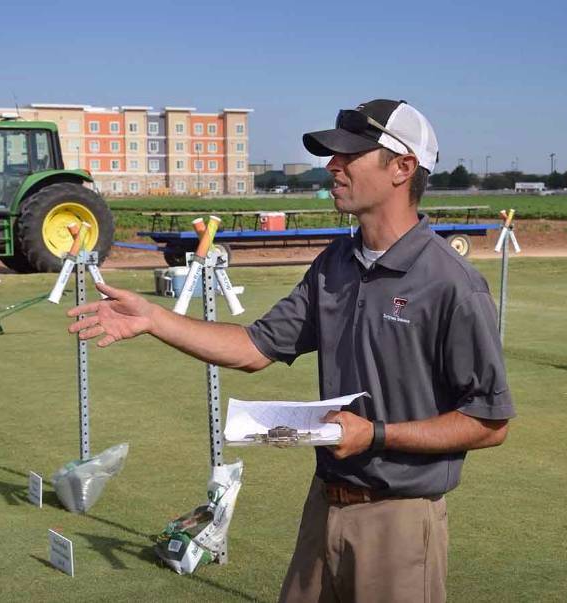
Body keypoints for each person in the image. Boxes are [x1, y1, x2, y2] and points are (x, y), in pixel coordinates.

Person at [68, 99, 515, 602]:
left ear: (403, 167)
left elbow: (488, 421)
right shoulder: (335, 265)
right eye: (333, 155)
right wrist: (155, 319)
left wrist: (376, 435)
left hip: (401, 519)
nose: (333, 166)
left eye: (350, 154)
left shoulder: (452, 284)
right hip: (323, 507)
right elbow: (253, 347)